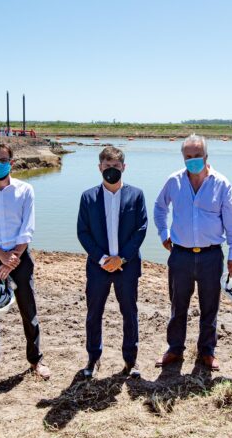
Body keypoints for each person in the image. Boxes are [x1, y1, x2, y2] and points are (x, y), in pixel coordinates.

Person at [154, 134, 232, 371]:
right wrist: (163, 234)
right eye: (188, 157)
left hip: (211, 256)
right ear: (183, 157)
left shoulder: (221, 183)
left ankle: (207, 352)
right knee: (177, 305)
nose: (193, 160)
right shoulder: (174, 181)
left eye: (197, 156)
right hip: (180, 255)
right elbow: (159, 207)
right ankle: (175, 349)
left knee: (210, 306)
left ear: (206, 156)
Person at [0, 142, 50, 387]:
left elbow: (27, 228)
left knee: (29, 310)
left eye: (4, 160)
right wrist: (1, 258)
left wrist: (13, 258)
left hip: (20, 258)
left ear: (11, 163)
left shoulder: (25, 190)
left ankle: (36, 360)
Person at [77, 146, 148, 378]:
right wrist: (102, 258)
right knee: (94, 313)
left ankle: (130, 361)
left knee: (130, 313)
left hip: (127, 267)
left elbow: (141, 229)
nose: (111, 170)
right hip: (98, 267)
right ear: (99, 168)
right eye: (107, 167)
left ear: (123, 167)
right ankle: (93, 358)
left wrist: (122, 258)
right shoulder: (88, 197)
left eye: (116, 167)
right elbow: (83, 232)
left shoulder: (136, 195)